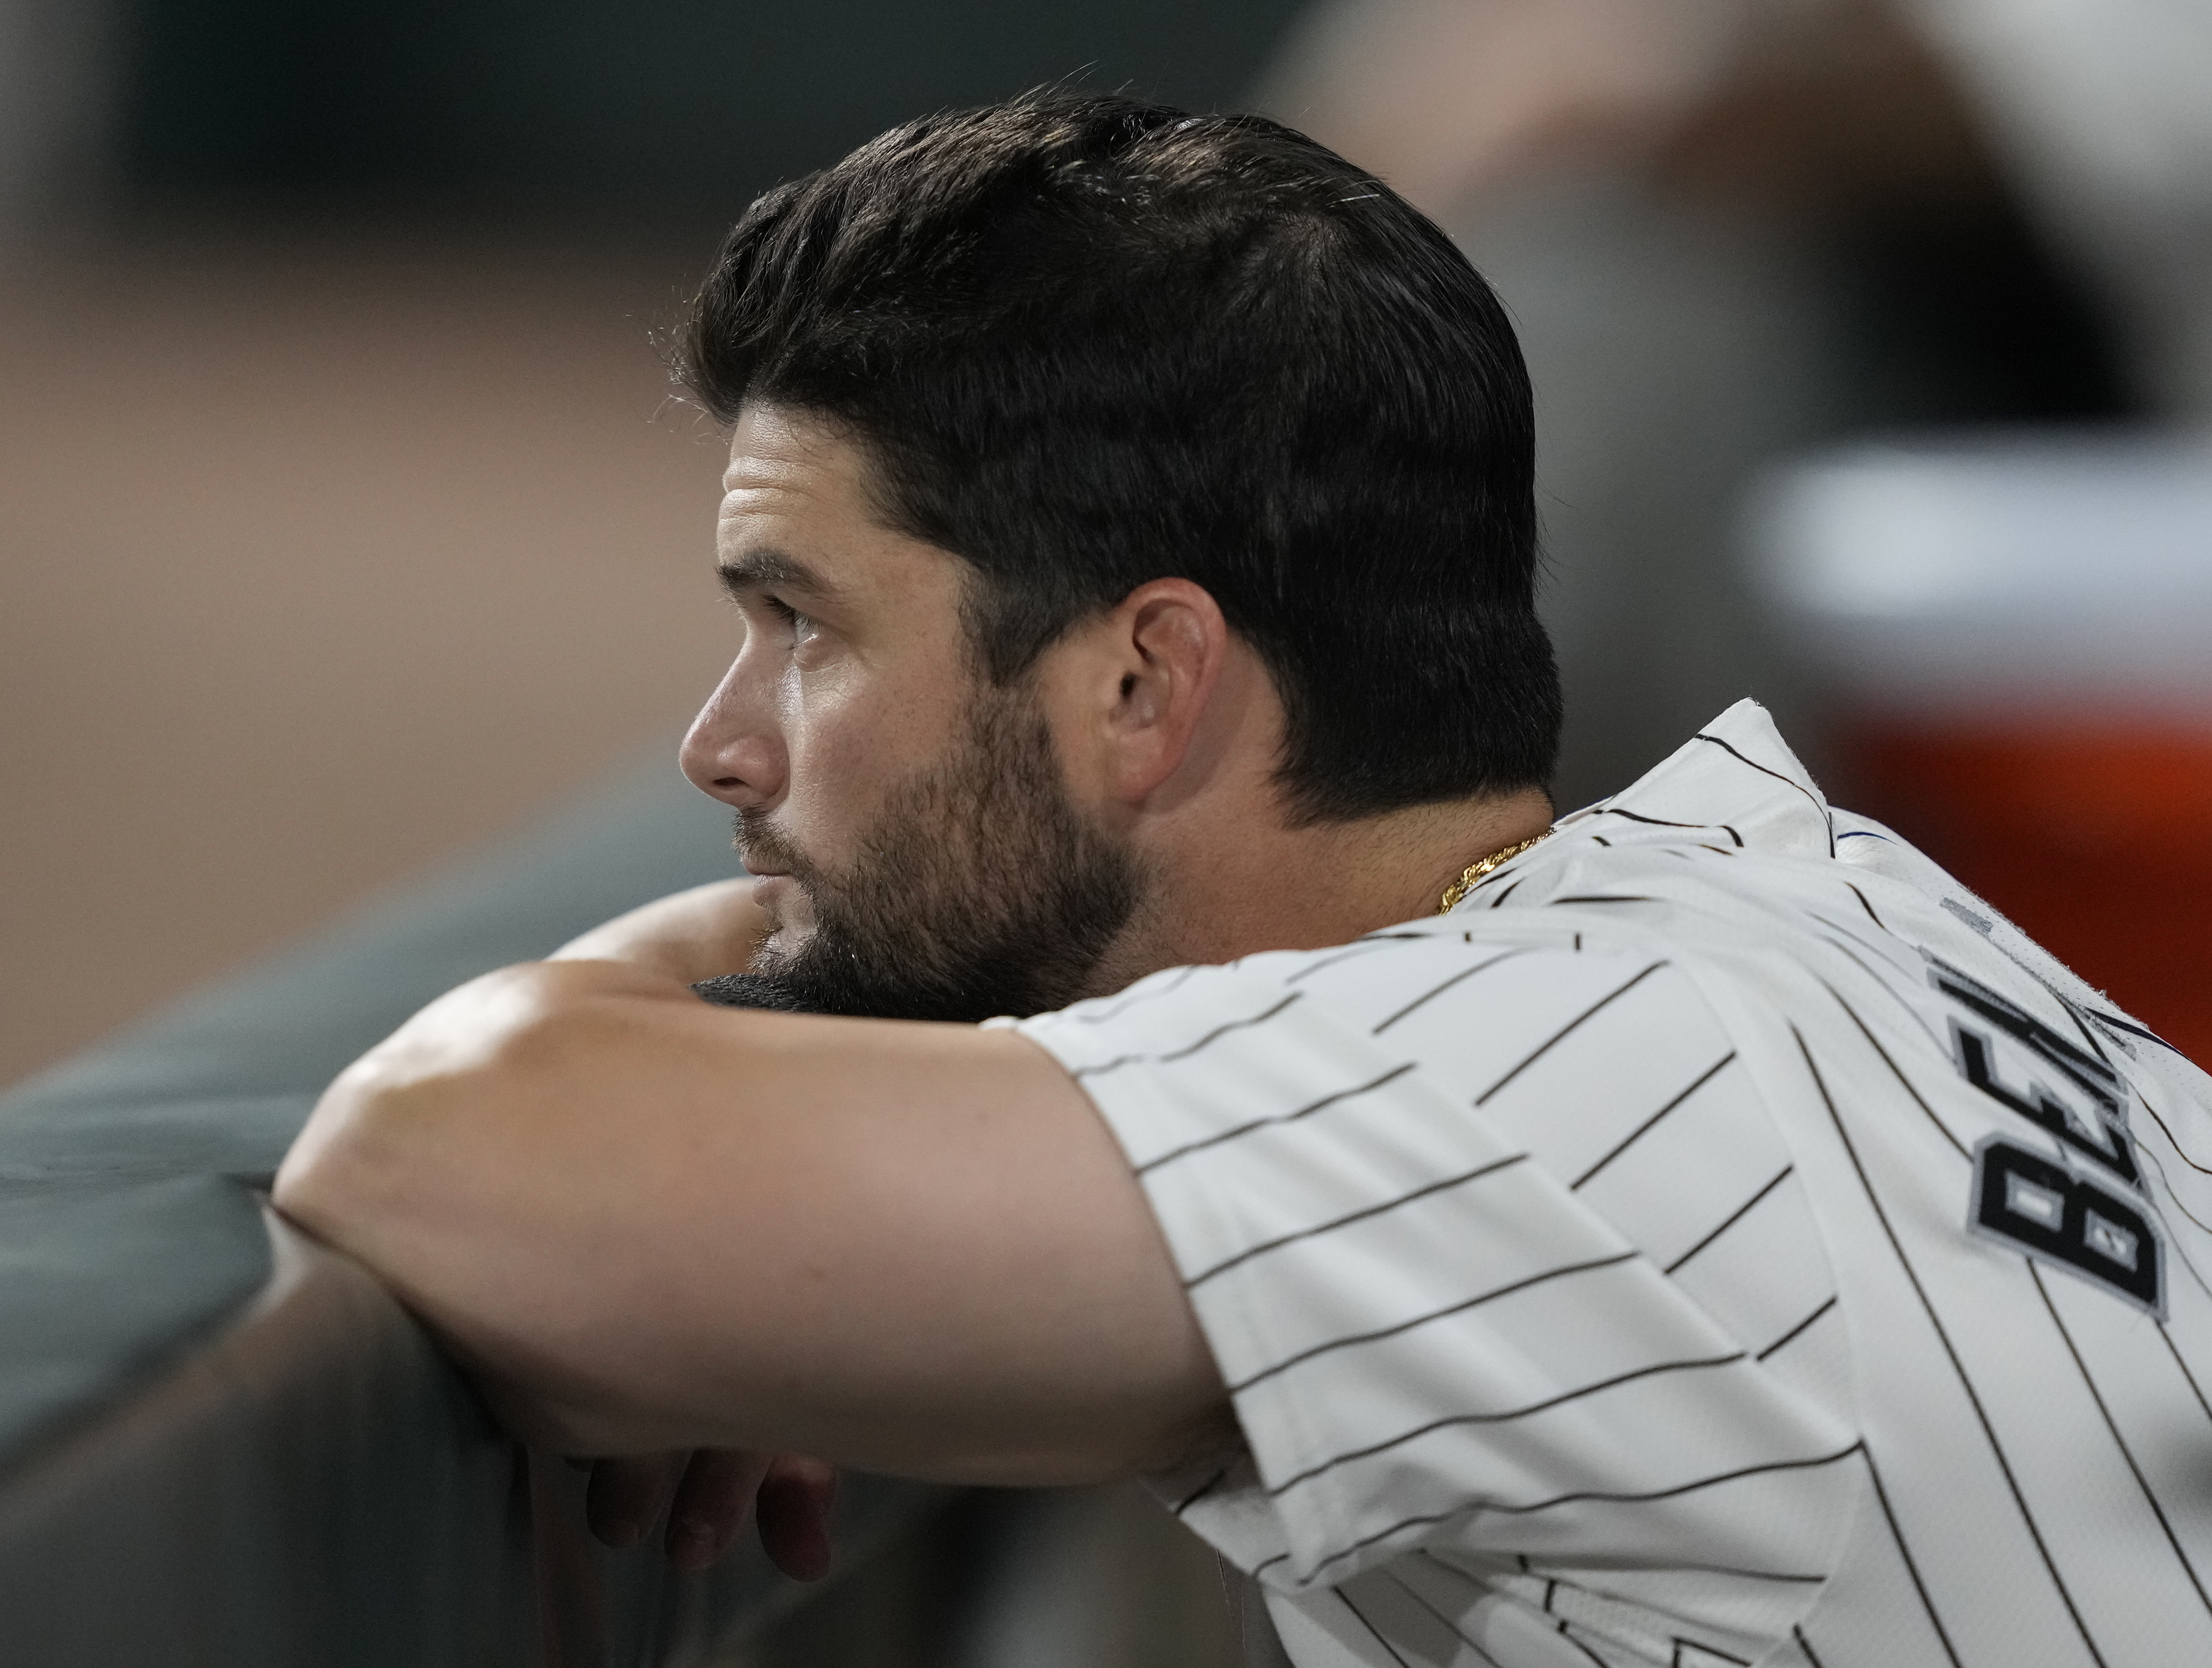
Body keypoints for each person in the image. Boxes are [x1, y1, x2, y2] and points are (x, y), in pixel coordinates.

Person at [272, 95, 2212, 1667]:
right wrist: (794, 1162)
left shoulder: (1483, 1108)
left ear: (1141, 682)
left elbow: (435, 1154)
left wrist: (753, 1106)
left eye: (803, 626)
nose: (724, 743)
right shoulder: (1795, 908)